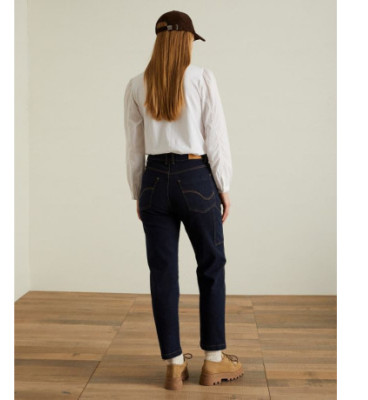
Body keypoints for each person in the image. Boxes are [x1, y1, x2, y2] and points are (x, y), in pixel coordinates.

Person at [123, 10, 244, 390]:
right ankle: (213, 360)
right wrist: (223, 186)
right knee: (211, 265)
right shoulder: (202, 78)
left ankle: (174, 366)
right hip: (195, 177)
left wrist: (138, 191)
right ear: (186, 40)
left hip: (154, 179)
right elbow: (216, 136)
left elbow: (134, 148)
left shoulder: (136, 84)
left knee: (162, 273)